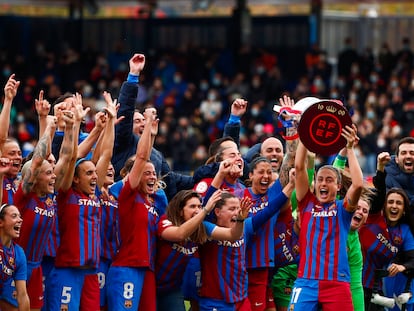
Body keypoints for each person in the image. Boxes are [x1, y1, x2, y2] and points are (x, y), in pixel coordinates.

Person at [45, 91, 115, 310]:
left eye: (95, 173)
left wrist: (110, 122)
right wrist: (75, 125)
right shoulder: (66, 193)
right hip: (67, 268)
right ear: (75, 178)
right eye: (88, 173)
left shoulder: (95, 193)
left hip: (91, 271)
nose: (95, 177)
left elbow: (106, 154)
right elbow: (71, 157)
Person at [197, 161, 295, 311]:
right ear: (217, 212)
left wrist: (291, 184)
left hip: (240, 299)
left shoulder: (245, 225)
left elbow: (269, 209)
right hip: (215, 300)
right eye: (232, 209)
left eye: (238, 208)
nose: (237, 212)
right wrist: (220, 174)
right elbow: (206, 210)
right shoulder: (207, 228)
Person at [289, 123, 362, 310]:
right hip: (306, 281)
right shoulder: (306, 202)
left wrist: (351, 149)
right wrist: (305, 136)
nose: (323, 183)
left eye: (329, 180)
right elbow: (299, 167)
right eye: (320, 179)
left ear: (338, 187)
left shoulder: (343, 208)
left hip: (337, 282)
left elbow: (358, 185)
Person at [112, 53, 193, 200]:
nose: (142, 123)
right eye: (136, 121)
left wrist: (209, 175)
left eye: (144, 120)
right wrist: (133, 75)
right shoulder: (123, 142)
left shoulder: (156, 155)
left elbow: (171, 181)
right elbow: (125, 112)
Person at [106, 109, 159, 311]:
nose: (152, 177)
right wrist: (146, 126)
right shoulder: (128, 195)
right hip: (126, 267)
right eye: (147, 174)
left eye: (154, 173)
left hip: (146, 269)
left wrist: (150, 135)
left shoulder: (152, 202)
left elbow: (147, 157)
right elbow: (142, 156)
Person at [155, 189, 221, 311]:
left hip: (172, 289)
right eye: (192, 206)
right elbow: (180, 234)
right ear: (180, 211)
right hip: (151, 285)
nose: (197, 210)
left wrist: (240, 220)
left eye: (199, 206)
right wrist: (205, 210)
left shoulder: (199, 230)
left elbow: (232, 235)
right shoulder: (165, 221)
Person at [359, 186, 414, 310]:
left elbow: (413, 259)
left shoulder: (404, 231)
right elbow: (378, 190)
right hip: (351, 280)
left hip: (375, 288)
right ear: (384, 206)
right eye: (390, 202)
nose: (394, 206)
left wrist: (402, 266)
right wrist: (381, 169)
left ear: (404, 209)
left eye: (399, 203)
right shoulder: (374, 217)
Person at [0, 157, 29, 311]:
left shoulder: (18, 254)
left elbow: (23, 295)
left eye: (19, 216)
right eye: (13, 216)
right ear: (0, 222)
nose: (19, 220)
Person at [0, 74, 22, 205]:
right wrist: (8, 100)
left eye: (19, 153)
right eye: (12, 153)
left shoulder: (22, 182)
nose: (18, 157)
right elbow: (2, 138)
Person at [385, 137, 414, 207]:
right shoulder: (386, 178)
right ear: (396, 159)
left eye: (412, 153)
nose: (408, 156)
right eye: (403, 153)